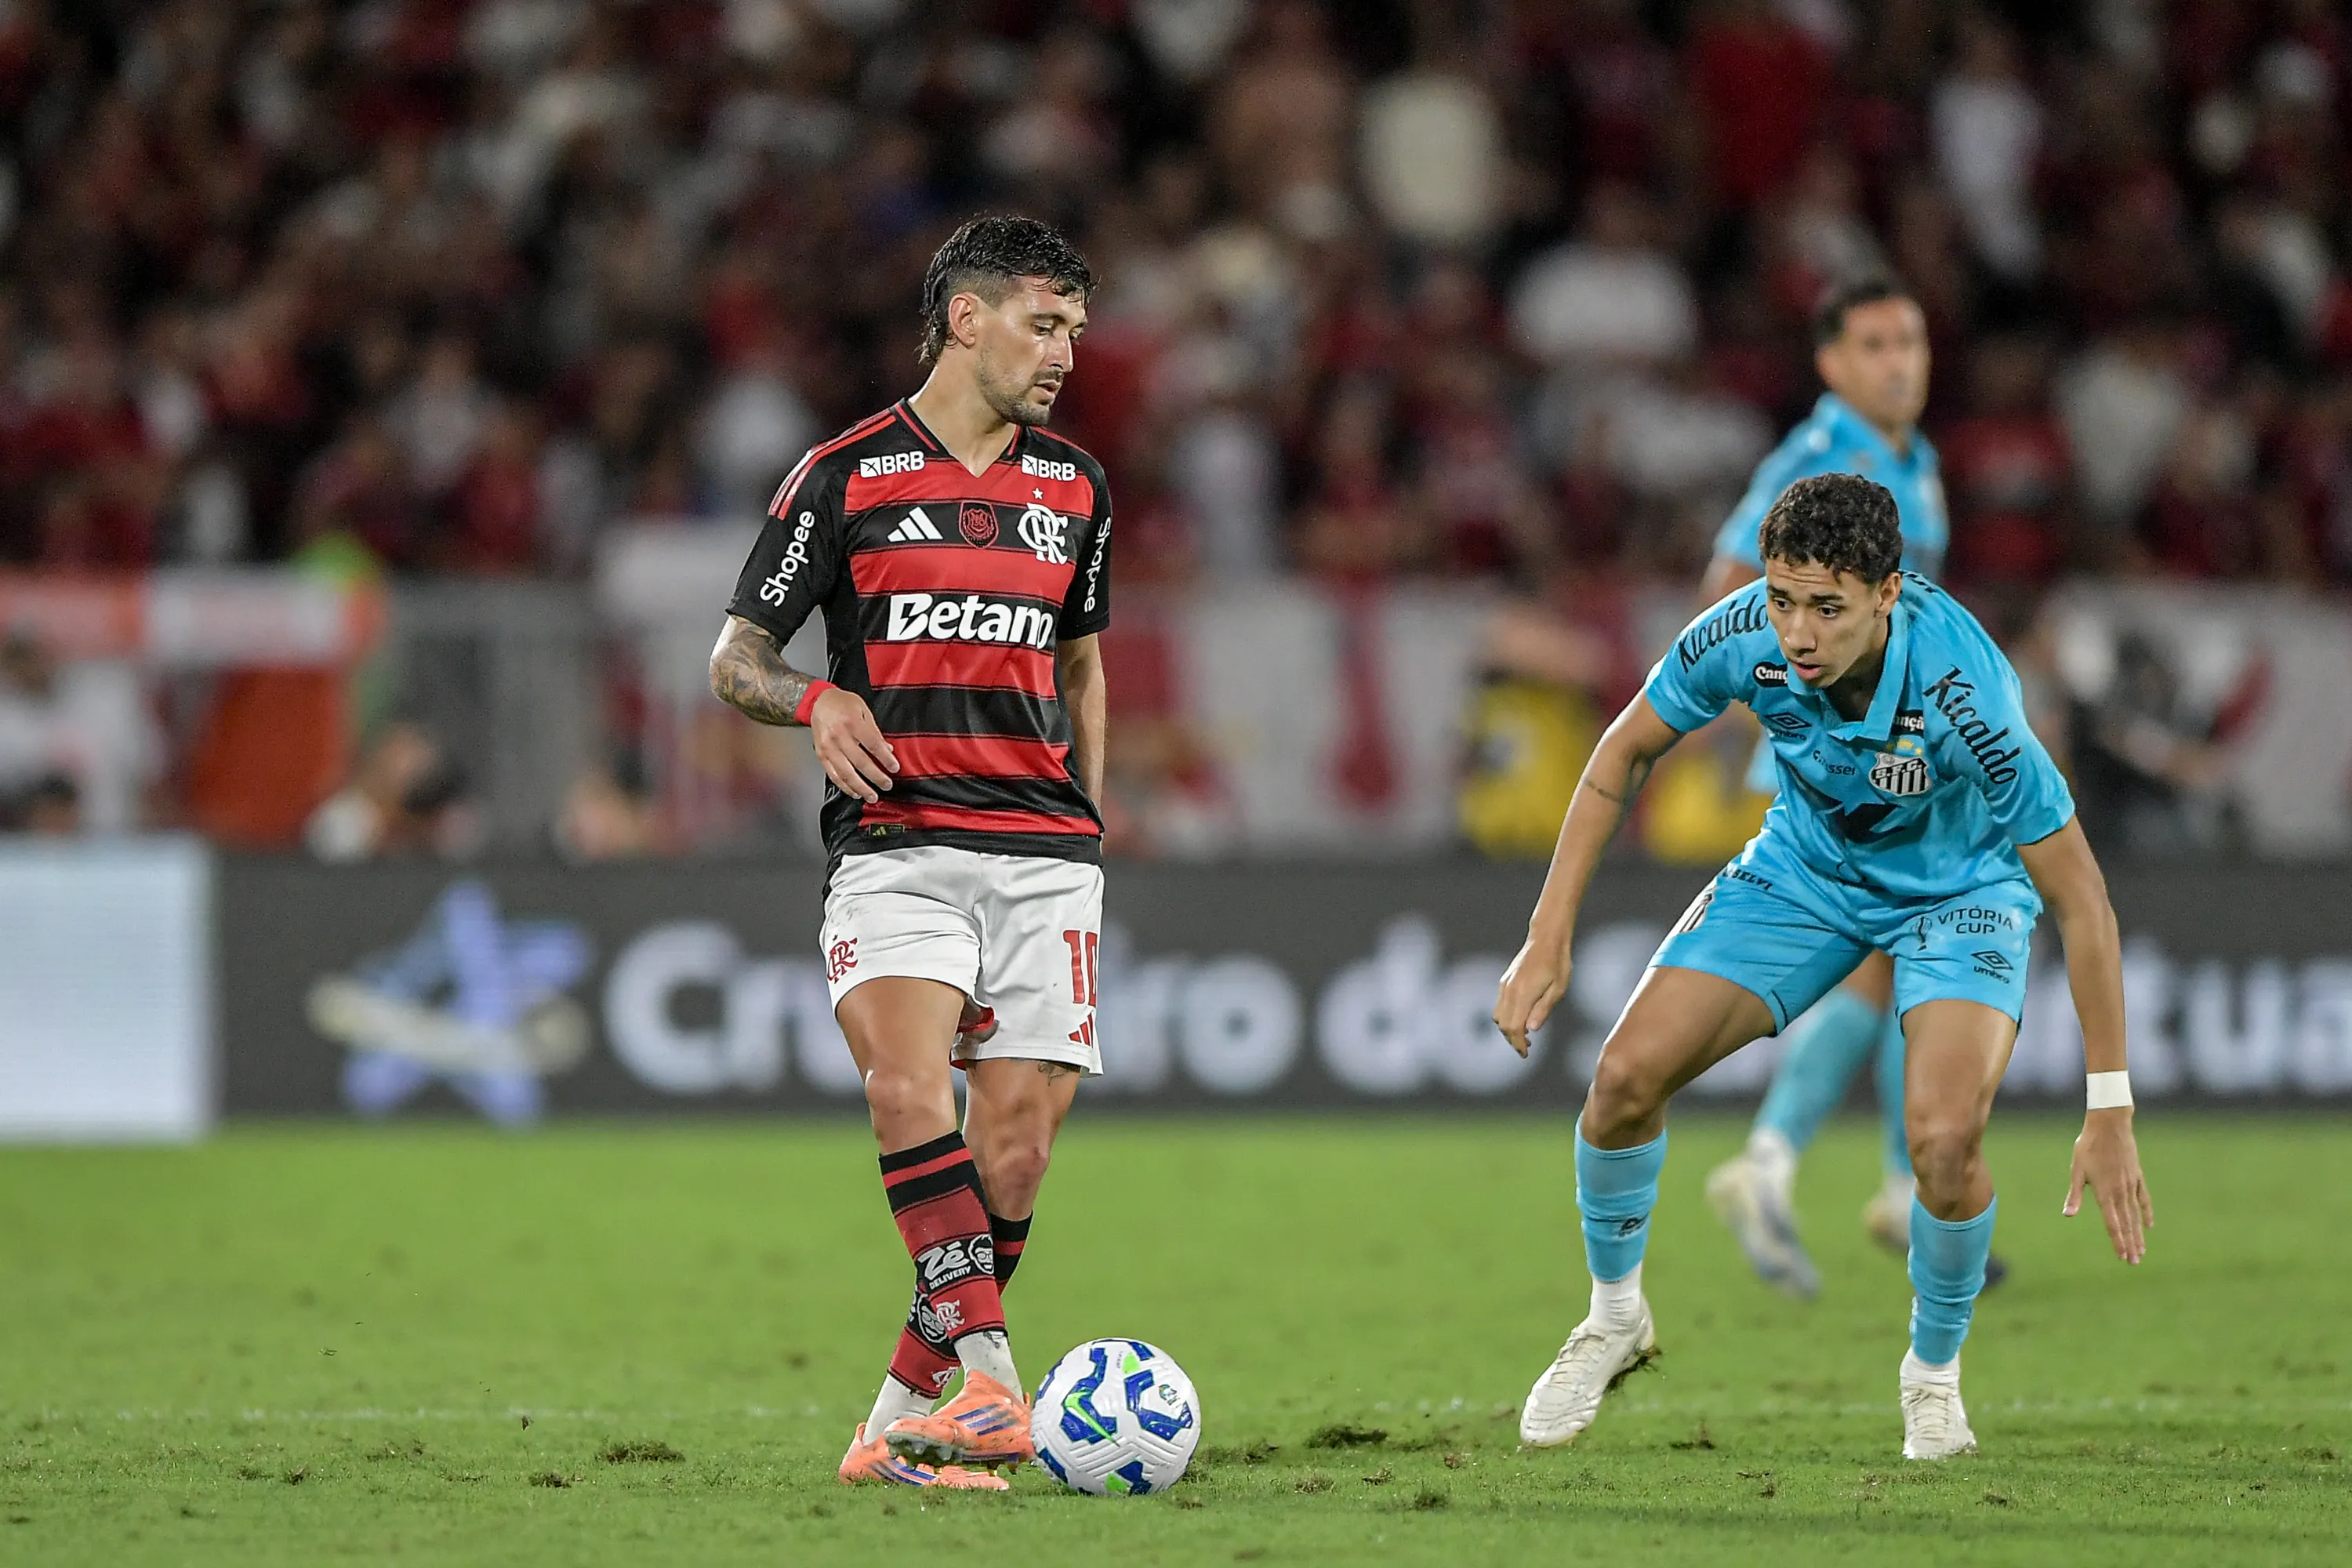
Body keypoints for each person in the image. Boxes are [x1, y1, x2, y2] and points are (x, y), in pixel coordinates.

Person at [1493, 472, 2151, 1461]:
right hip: (1806, 870)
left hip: (1960, 894)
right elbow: (1621, 752)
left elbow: (2082, 896)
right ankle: (1614, 1317)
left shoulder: (1964, 693)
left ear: (1887, 593)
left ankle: (1932, 1376)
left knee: (1941, 1142)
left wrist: (2109, 1104)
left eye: (1827, 608)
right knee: (1622, 1081)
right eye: (1783, 599)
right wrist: (1548, 931)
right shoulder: (1741, 633)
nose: (1798, 632)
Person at [707, 216, 1110, 1491]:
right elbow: (736, 662)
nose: (1064, 354)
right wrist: (816, 701)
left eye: (1074, 331)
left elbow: (1083, 666)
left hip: (1045, 853)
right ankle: (993, 1384)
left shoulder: (1078, 489)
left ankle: (890, 1426)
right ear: (966, 320)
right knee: (904, 1088)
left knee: (1018, 1152)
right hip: (900, 844)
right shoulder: (842, 476)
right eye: (1044, 325)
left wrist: (1091, 822)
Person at [1693, 275, 1988, 1298]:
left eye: (1911, 341)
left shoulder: (1915, 461)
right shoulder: (1815, 460)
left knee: (1900, 959)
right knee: (1907, 949)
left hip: (1903, 745)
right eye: (1874, 345)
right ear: (1830, 363)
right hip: (1849, 751)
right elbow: (1726, 588)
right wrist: (1803, 709)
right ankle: (1790, 1163)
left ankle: (1884, 1185)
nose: (1899, 362)